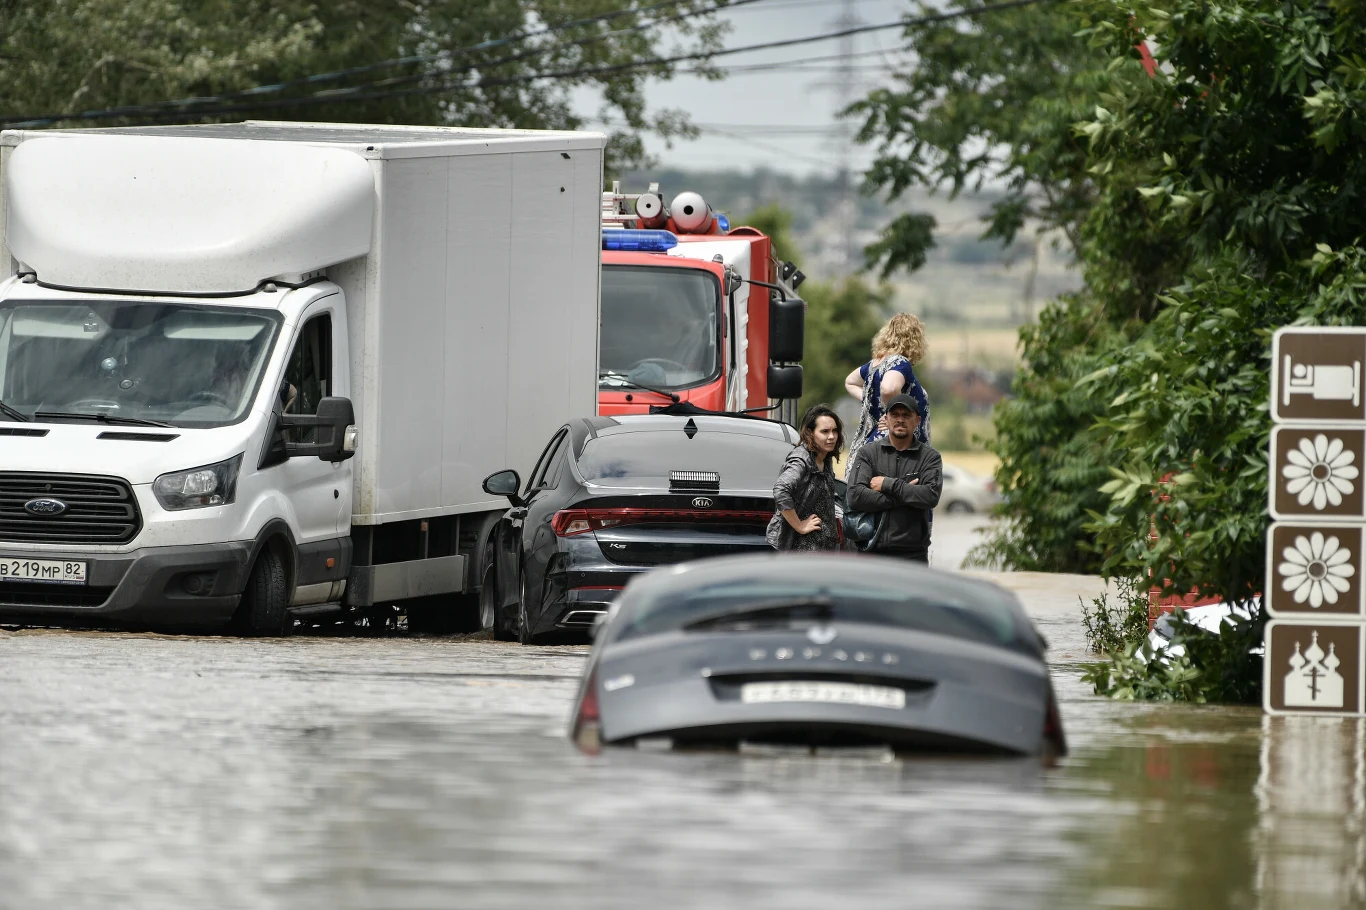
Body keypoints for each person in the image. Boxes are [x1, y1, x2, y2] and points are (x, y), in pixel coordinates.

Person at [846, 394, 942, 563]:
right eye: (895, 415)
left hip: (912, 556)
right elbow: (855, 496)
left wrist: (888, 484)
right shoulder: (868, 453)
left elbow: (930, 496)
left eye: (906, 415)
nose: (900, 419)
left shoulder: (929, 457)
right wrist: (903, 495)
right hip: (870, 551)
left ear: (917, 420)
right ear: (886, 418)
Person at [845, 313, 930, 468]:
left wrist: (870, 400)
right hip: (893, 452)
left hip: (868, 449)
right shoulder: (900, 362)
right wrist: (894, 416)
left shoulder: (873, 366)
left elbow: (850, 382)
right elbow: (889, 388)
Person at [767, 404, 845, 552]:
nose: (832, 436)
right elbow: (781, 490)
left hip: (823, 547)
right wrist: (799, 525)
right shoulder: (801, 459)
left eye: (835, 431)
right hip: (802, 549)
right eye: (824, 431)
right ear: (810, 433)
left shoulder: (825, 457)